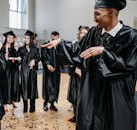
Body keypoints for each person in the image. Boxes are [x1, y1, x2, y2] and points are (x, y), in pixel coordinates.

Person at [41, 0, 137, 130]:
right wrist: (61, 43)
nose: (94, 18)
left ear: (111, 13)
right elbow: (77, 50)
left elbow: (129, 66)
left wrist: (103, 52)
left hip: (115, 97)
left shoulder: (131, 36)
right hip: (92, 94)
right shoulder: (94, 33)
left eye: (97, 14)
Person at [67, 26, 89, 122]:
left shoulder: (90, 46)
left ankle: (84, 117)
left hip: (85, 77)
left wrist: (82, 69)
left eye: (85, 33)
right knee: (75, 97)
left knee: (84, 98)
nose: (83, 34)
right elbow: (70, 59)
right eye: (81, 33)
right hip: (75, 77)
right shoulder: (75, 45)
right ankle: (76, 116)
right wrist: (74, 67)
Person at [18, 30, 40, 113]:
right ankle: (25, 107)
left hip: (32, 72)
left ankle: (32, 107)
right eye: (25, 38)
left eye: (27, 38)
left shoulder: (35, 49)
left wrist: (34, 60)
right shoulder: (21, 49)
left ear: (31, 39)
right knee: (25, 88)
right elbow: (18, 58)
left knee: (32, 88)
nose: (25, 40)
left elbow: (38, 58)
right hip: (24, 72)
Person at [0, 30, 21, 112]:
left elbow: (18, 59)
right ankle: (4, 104)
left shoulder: (13, 49)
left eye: (12, 38)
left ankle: (12, 101)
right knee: (5, 87)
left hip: (13, 71)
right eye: (9, 37)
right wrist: (6, 59)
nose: (10, 39)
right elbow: (2, 60)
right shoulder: (2, 48)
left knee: (13, 86)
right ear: (6, 38)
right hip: (5, 71)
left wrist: (15, 60)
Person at [41, 31, 61, 111]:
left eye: (57, 38)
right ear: (51, 36)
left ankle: (52, 104)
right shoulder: (46, 45)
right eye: (54, 37)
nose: (55, 39)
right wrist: (48, 64)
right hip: (48, 70)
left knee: (55, 86)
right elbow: (44, 55)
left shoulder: (59, 46)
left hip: (56, 70)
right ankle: (45, 103)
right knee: (48, 87)